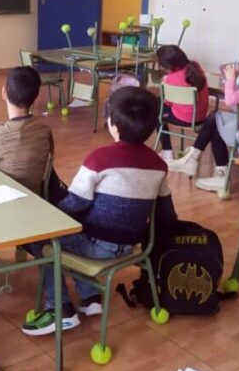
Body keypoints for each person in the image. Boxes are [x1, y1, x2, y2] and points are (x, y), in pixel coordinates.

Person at [21, 87, 177, 336]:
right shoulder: (159, 165)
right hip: (132, 246)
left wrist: (51, 216)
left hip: (96, 244)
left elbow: (76, 204)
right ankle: (90, 297)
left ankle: (60, 309)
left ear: (112, 124)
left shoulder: (99, 159)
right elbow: (167, 214)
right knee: (76, 233)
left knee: (45, 242)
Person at [168, 35, 239, 192]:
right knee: (216, 121)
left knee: (214, 119)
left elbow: (230, 101)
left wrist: (231, 79)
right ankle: (210, 169)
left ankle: (202, 163)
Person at [0, 66, 54, 193]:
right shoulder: (44, 129)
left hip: (9, 200)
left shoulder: (0, 135)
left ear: (4, 93)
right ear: (36, 98)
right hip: (36, 197)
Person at [156, 45, 210, 162]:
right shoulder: (196, 66)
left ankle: (167, 151)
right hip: (201, 117)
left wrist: (165, 83)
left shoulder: (171, 79)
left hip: (183, 118)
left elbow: (168, 103)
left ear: (168, 66)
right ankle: (167, 151)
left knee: (156, 112)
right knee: (159, 103)